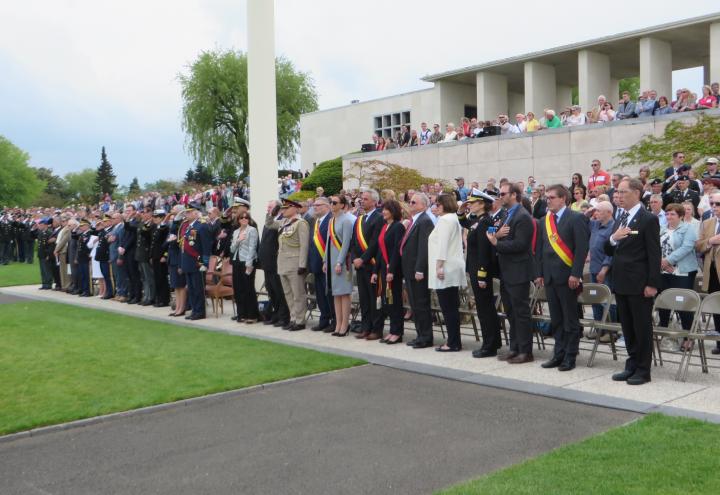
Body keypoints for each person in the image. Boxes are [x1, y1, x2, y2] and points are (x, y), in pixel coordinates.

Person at [605, 178, 662, 385]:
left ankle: (643, 370)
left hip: (639, 284)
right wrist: (613, 238)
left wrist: (652, 284)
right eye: (617, 192)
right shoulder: (621, 218)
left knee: (641, 327)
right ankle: (631, 364)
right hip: (621, 282)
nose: (618, 196)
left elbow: (654, 254)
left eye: (623, 192)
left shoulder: (647, 219)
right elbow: (608, 249)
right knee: (627, 327)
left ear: (637, 193)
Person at [535, 185, 590, 371]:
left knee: (570, 319)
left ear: (563, 199)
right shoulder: (544, 221)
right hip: (550, 277)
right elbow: (541, 249)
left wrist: (576, 273)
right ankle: (558, 353)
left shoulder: (576, 218)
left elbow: (581, 249)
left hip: (568, 277)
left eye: (551, 197)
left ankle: (570, 355)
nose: (547, 200)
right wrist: (540, 273)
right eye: (547, 197)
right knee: (556, 319)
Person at [487, 182, 535, 363]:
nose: (501, 196)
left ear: (514, 195)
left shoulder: (522, 216)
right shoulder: (507, 214)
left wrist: (496, 243)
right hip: (506, 270)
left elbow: (520, 245)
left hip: (518, 270)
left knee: (521, 312)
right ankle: (514, 347)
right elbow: (496, 233)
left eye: (504, 193)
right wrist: (496, 236)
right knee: (511, 312)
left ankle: (525, 351)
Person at [459, 189, 503, 357]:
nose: (469, 205)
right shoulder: (479, 220)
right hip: (476, 269)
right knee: (485, 309)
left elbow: (486, 251)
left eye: (473, 203)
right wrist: (460, 212)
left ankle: (489, 345)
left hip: (481, 271)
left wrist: (482, 274)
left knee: (485, 310)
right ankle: (494, 341)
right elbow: (465, 224)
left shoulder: (486, 221)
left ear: (482, 204)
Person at [428, 193, 467, 352]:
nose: (435, 207)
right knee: (451, 307)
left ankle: (452, 342)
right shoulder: (453, 218)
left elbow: (442, 246)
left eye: (437, 205)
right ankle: (454, 341)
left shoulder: (445, 220)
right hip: (452, 266)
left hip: (446, 267)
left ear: (444, 205)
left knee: (448, 307)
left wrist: (438, 266)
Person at [658, 203, 699, 350]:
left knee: (683, 304)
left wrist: (668, 261)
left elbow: (687, 247)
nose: (669, 217)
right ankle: (663, 333)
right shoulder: (662, 229)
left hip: (682, 271)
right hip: (662, 270)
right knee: (664, 302)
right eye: (667, 214)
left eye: (672, 214)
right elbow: (655, 246)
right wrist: (660, 262)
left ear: (680, 216)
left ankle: (689, 337)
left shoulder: (688, 228)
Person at [267, 198, 310, 331]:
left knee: (298, 294)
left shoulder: (301, 223)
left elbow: (304, 246)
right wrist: (271, 214)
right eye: (283, 208)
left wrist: (302, 264)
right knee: (288, 293)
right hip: (283, 262)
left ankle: (300, 320)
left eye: (286, 208)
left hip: (295, 262)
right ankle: (293, 318)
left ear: (295, 208)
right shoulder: (283, 222)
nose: (283, 210)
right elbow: (269, 224)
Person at [401, 193, 435, 349]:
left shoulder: (425, 221)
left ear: (424, 205)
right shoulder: (416, 220)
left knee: (421, 304)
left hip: (418, 270)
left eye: (414, 202)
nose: (411, 204)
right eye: (410, 201)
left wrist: (420, 269)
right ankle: (420, 334)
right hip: (409, 269)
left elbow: (424, 248)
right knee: (414, 305)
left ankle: (426, 337)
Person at [350, 189, 385, 339]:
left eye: (365, 199)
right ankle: (365, 327)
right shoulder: (359, 219)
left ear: (374, 201)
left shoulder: (379, 218)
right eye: (361, 199)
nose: (362, 201)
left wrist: (362, 259)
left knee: (373, 299)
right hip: (360, 265)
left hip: (372, 264)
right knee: (364, 299)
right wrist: (354, 259)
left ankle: (376, 329)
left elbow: (374, 243)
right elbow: (354, 242)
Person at [371, 199, 405, 344]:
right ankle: (392, 330)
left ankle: (397, 332)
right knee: (387, 302)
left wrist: (391, 270)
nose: (383, 212)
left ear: (394, 211)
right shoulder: (385, 227)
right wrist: (375, 271)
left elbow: (397, 250)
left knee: (395, 301)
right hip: (384, 269)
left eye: (387, 209)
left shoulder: (398, 227)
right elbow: (380, 252)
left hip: (394, 270)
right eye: (383, 209)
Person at [325, 195, 354, 336]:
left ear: (342, 205)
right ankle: (338, 323)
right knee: (336, 293)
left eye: (335, 202)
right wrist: (325, 261)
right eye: (330, 202)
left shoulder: (347, 220)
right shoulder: (331, 220)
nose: (332, 204)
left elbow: (346, 244)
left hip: (343, 262)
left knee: (344, 293)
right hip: (331, 260)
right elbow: (328, 243)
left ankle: (345, 324)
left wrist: (339, 262)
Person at [259, 200, 291, 327]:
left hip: (276, 262)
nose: (268, 208)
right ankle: (276, 314)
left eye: (270, 206)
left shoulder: (282, 221)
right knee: (271, 290)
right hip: (267, 263)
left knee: (279, 291)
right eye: (268, 206)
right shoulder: (269, 220)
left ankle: (284, 317)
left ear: (277, 208)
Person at [695, 192, 720, 355]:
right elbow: (698, 246)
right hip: (711, 270)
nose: (714, 207)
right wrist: (710, 242)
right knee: (716, 306)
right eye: (712, 204)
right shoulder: (708, 222)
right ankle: (719, 341)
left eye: (718, 204)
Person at [180, 202, 212, 321]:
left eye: (189, 212)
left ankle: (200, 311)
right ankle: (194, 310)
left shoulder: (201, 226)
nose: (187, 214)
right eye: (186, 212)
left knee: (198, 288)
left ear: (195, 213)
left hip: (197, 262)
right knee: (191, 289)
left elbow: (206, 246)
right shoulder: (188, 226)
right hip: (188, 262)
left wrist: (205, 263)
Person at [307, 196, 334, 332]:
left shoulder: (331, 220)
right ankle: (324, 319)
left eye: (318, 205)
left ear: (327, 206)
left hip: (327, 264)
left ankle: (334, 321)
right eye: (314, 205)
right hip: (316, 263)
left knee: (329, 294)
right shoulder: (316, 221)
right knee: (320, 294)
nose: (315, 207)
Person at [230, 211, 260, 323]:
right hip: (236, 261)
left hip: (247, 262)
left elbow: (253, 247)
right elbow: (232, 249)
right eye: (241, 217)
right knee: (238, 289)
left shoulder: (252, 230)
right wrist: (238, 240)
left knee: (248, 289)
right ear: (238, 219)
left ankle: (252, 315)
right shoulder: (236, 231)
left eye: (246, 217)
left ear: (249, 219)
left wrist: (249, 264)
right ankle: (241, 314)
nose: (244, 219)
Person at [165, 207, 187, 316]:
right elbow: (168, 239)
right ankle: (177, 307)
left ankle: (181, 308)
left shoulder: (182, 224)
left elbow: (181, 247)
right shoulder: (176, 223)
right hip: (172, 259)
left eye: (174, 209)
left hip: (178, 259)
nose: (171, 209)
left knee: (181, 286)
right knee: (176, 286)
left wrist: (180, 264)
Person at [149, 209, 169, 307]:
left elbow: (167, 243)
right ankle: (159, 298)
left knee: (162, 279)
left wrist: (165, 255)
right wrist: (151, 256)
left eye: (156, 217)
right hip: (156, 256)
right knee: (157, 278)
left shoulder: (165, 228)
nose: (154, 219)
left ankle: (164, 300)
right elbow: (153, 244)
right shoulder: (156, 227)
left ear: (162, 218)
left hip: (161, 256)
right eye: (154, 217)